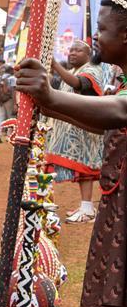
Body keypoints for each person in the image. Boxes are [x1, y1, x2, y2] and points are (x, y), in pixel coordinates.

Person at [14, 0, 127, 307]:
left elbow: (118, 111)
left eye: (101, 29)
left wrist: (52, 99)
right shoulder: (117, 78)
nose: (94, 37)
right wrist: (48, 101)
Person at [44, 40, 105, 223]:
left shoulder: (93, 70)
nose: (72, 53)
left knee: (85, 170)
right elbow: (57, 86)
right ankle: (85, 207)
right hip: (72, 131)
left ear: (88, 55)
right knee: (81, 171)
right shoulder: (70, 72)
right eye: (70, 50)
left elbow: (79, 84)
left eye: (78, 50)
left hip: (86, 129)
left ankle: (87, 210)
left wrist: (55, 65)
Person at [0, 64, 18, 141]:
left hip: (0, 101)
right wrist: (15, 104)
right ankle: (10, 136)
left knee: (0, 118)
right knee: (11, 117)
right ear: (11, 71)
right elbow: (14, 91)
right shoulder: (12, 78)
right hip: (9, 100)